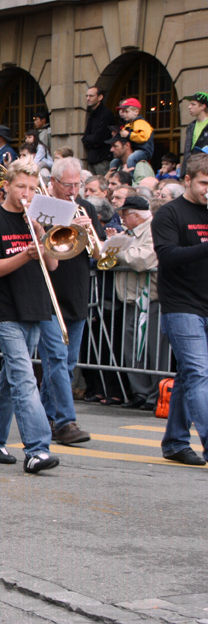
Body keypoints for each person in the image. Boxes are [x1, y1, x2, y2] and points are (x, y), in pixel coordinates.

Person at [0, 160, 60, 473]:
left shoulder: (35, 221)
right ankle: (38, 448)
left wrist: (42, 236)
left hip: (35, 305)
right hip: (6, 309)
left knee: (13, 382)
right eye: (21, 187)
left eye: (31, 188)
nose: (26, 193)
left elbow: (52, 267)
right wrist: (24, 254)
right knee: (25, 379)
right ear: (7, 187)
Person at [150, 152, 208, 466]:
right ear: (187, 180)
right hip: (181, 305)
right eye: (204, 183)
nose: (207, 189)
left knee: (188, 376)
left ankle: (174, 441)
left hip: (205, 302)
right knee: (199, 374)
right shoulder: (170, 214)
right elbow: (167, 255)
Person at [38, 158, 100, 445]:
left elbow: (98, 255)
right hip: (49, 294)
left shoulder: (86, 208)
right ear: (54, 183)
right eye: (68, 185)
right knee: (56, 360)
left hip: (77, 293)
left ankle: (43, 415)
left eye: (78, 185)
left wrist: (94, 238)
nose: (73, 191)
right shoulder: (43, 207)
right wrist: (67, 224)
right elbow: (42, 245)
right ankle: (65, 421)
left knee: (67, 362)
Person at [112, 195, 169, 411]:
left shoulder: (153, 229)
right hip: (131, 297)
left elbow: (142, 259)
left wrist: (118, 253)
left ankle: (155, 394)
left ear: (136, 215)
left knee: (153, 348)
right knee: (132, 347)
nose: (122, 218)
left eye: (125, 214)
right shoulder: (131, 232)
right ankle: (140, 392)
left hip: (149, 297)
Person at [113, 98, 154, 171]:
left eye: (127, 111)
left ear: (136, 112)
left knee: (131, 159)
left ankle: (130, 177)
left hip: (143, 151)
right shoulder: (128, 124)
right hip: (132, 150)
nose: (124, 114)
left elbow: (142, 137)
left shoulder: (141, 123)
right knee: (115, 162)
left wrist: (128, 135)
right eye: (123, 111)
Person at [82, 86, 115, 175]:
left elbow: (99, 138)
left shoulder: (106, 114)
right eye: (87, 96)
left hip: (103, 158)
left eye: (91, 96)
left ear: (100, 97)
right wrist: (90, 140)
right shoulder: (92, 114)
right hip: (92, 158)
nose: (88, 98)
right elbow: (84, 138)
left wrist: (90, 140)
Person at [180, 92, 208, 176]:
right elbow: (187, 152)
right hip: (192, 170)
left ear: (203, 106)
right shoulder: (191, 126)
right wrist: (184, 173)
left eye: (193, 104)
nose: (189, 107)